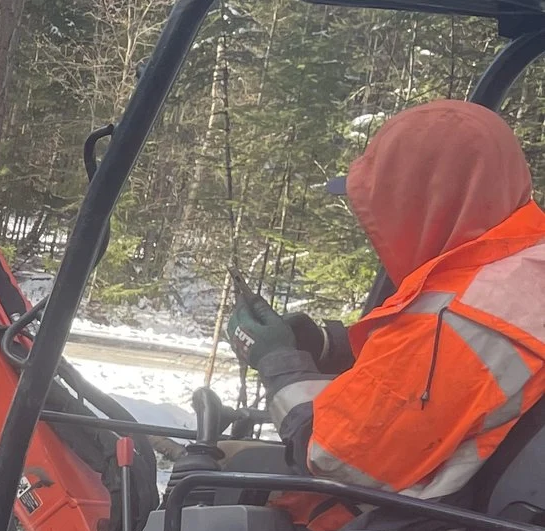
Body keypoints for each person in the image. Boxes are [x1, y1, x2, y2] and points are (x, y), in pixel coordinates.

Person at [231, 98, 545, 504]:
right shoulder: (517, 272)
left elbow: (331, 454)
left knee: (202, 499)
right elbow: (419, 373)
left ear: (419, 205)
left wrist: (279, 363)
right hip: (451, 511)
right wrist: (328, 346)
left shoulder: (462, 321)